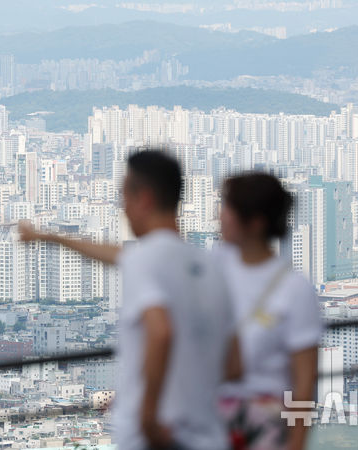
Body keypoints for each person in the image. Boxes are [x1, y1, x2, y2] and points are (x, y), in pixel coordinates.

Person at [19, 150, 239, 450]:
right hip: (209, 433)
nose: (123, 209)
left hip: (158, 437)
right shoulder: (209, 266)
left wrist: (148, 419)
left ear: (144, 198)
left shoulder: (144, 261)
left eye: (124, 197)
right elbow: (235, 363)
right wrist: (48, 237)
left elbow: (161, 331)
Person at [215, 173, 322, 450]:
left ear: (256, 222)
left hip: (264, 429)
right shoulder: (214, 266)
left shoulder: (294, 289)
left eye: (229, 208)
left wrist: (296, 444)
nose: (221, 216)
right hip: (208, 420)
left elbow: (304, 381)